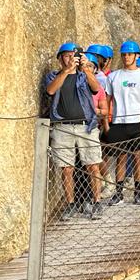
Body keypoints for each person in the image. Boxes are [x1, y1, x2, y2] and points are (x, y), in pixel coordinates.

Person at [44, 42, 104, 219]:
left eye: (74, 55)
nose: (71, 58)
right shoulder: (53, 76)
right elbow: (50, 90)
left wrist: (86, 69)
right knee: (67, 168)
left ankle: (97, 202)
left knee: (93, 165)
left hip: (86, 126)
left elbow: (96, 88)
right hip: (63, 127)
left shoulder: (83, 75)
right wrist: (66, 71)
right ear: (60, 58)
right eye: (67, 55)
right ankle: (70, 204)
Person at [104, 40, 140, 204]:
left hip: (139, 121)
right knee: (120, 158)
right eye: (124, 54)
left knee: (138, 157)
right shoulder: (113, 77)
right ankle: (118, 194)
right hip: (119, 121)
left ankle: (138, 192)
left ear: (137, 56)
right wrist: (106, 124)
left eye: (130, 54)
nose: (126, 57)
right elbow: (107, 101)